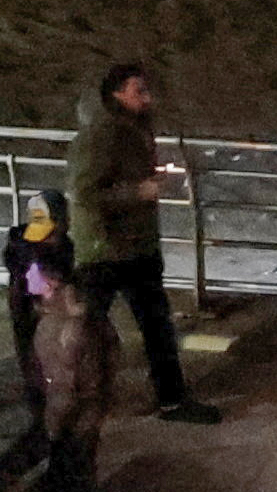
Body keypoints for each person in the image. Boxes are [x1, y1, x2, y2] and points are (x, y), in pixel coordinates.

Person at [61, 62, 201, 422]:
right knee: (88, 329)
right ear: (117, 93)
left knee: (157, 328)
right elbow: (83, 192)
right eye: (139, 90)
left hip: (136, 247)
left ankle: (171, 399)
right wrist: (138, 191)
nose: (147, 98)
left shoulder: (133, 129)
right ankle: (70, 398)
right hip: (105, 251)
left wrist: (147, 184)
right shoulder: (101, 134)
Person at [11, 256, 112, 492]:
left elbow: (64, 389)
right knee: (60, 485)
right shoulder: (67, 317)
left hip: (73, 426)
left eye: (32, 271)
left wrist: (54, 427)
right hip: (80, 421)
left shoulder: (66, 327)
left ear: (50, 282)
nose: (26, 275)